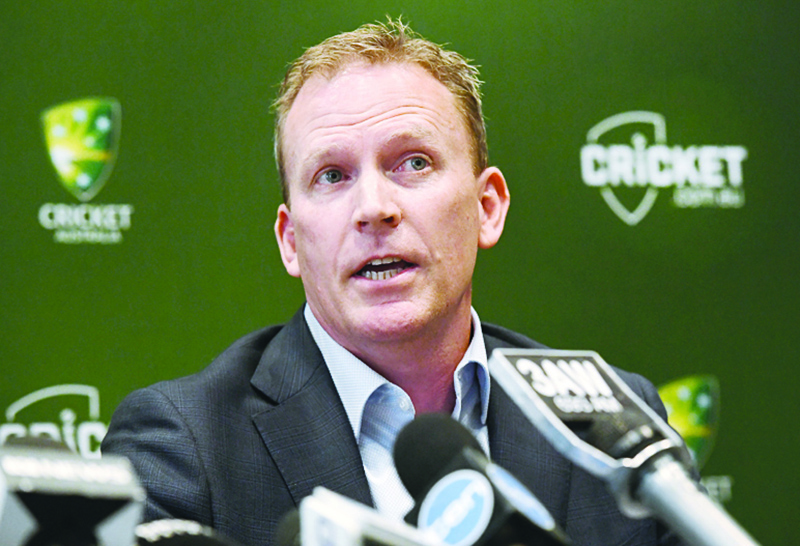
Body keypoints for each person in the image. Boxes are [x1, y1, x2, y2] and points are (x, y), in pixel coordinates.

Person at [102, 19, 684, 546]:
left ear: (487, 208)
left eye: (413, 163)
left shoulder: (614, 423)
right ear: (290, 241)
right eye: (332, 175)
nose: (374, 208)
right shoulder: (186, 443)